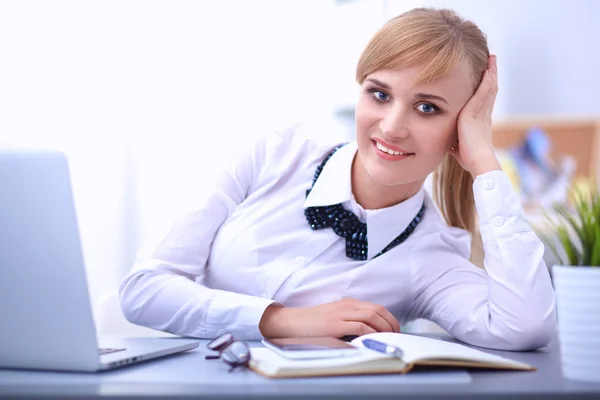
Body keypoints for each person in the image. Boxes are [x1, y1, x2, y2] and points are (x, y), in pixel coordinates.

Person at [119, 7, 556, 351]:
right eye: (379, 94)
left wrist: (483, 161)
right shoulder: (271, 154)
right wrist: (282, 319)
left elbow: (526, 326)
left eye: (428, 108)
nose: (391, 126)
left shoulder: (431, 257)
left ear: (461, 127)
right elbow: (144, 289)